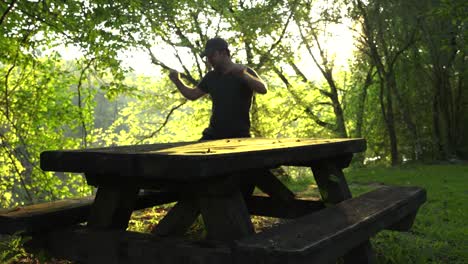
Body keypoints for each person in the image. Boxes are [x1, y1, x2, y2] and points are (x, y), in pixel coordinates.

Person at [168, 37, 267, 140]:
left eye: (212, 56)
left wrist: (244, 75)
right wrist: (177, 81)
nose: (209, 60)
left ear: (224, 53)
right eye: (207, 57)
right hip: (213, 134)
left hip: (239, 134)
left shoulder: (244, 71)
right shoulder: (211, 77)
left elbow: (263, 89)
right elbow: (193, 95)